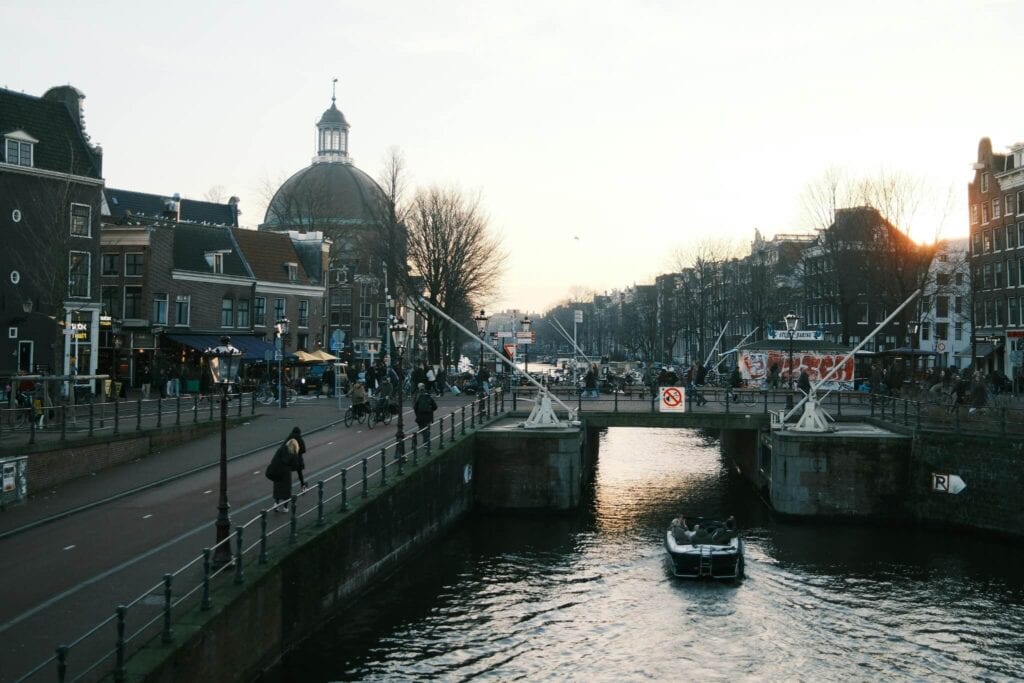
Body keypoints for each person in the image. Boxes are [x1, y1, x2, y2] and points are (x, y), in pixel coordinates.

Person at [267, 434, 306, 513]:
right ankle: (285, 507)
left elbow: (274, 460)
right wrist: (289, 468)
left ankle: (276, 504)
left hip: (277, 471)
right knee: (286, 490)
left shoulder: (280, 450)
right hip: (286, 473)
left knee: (277, 488)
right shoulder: (293, 454)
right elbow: (295, 466)